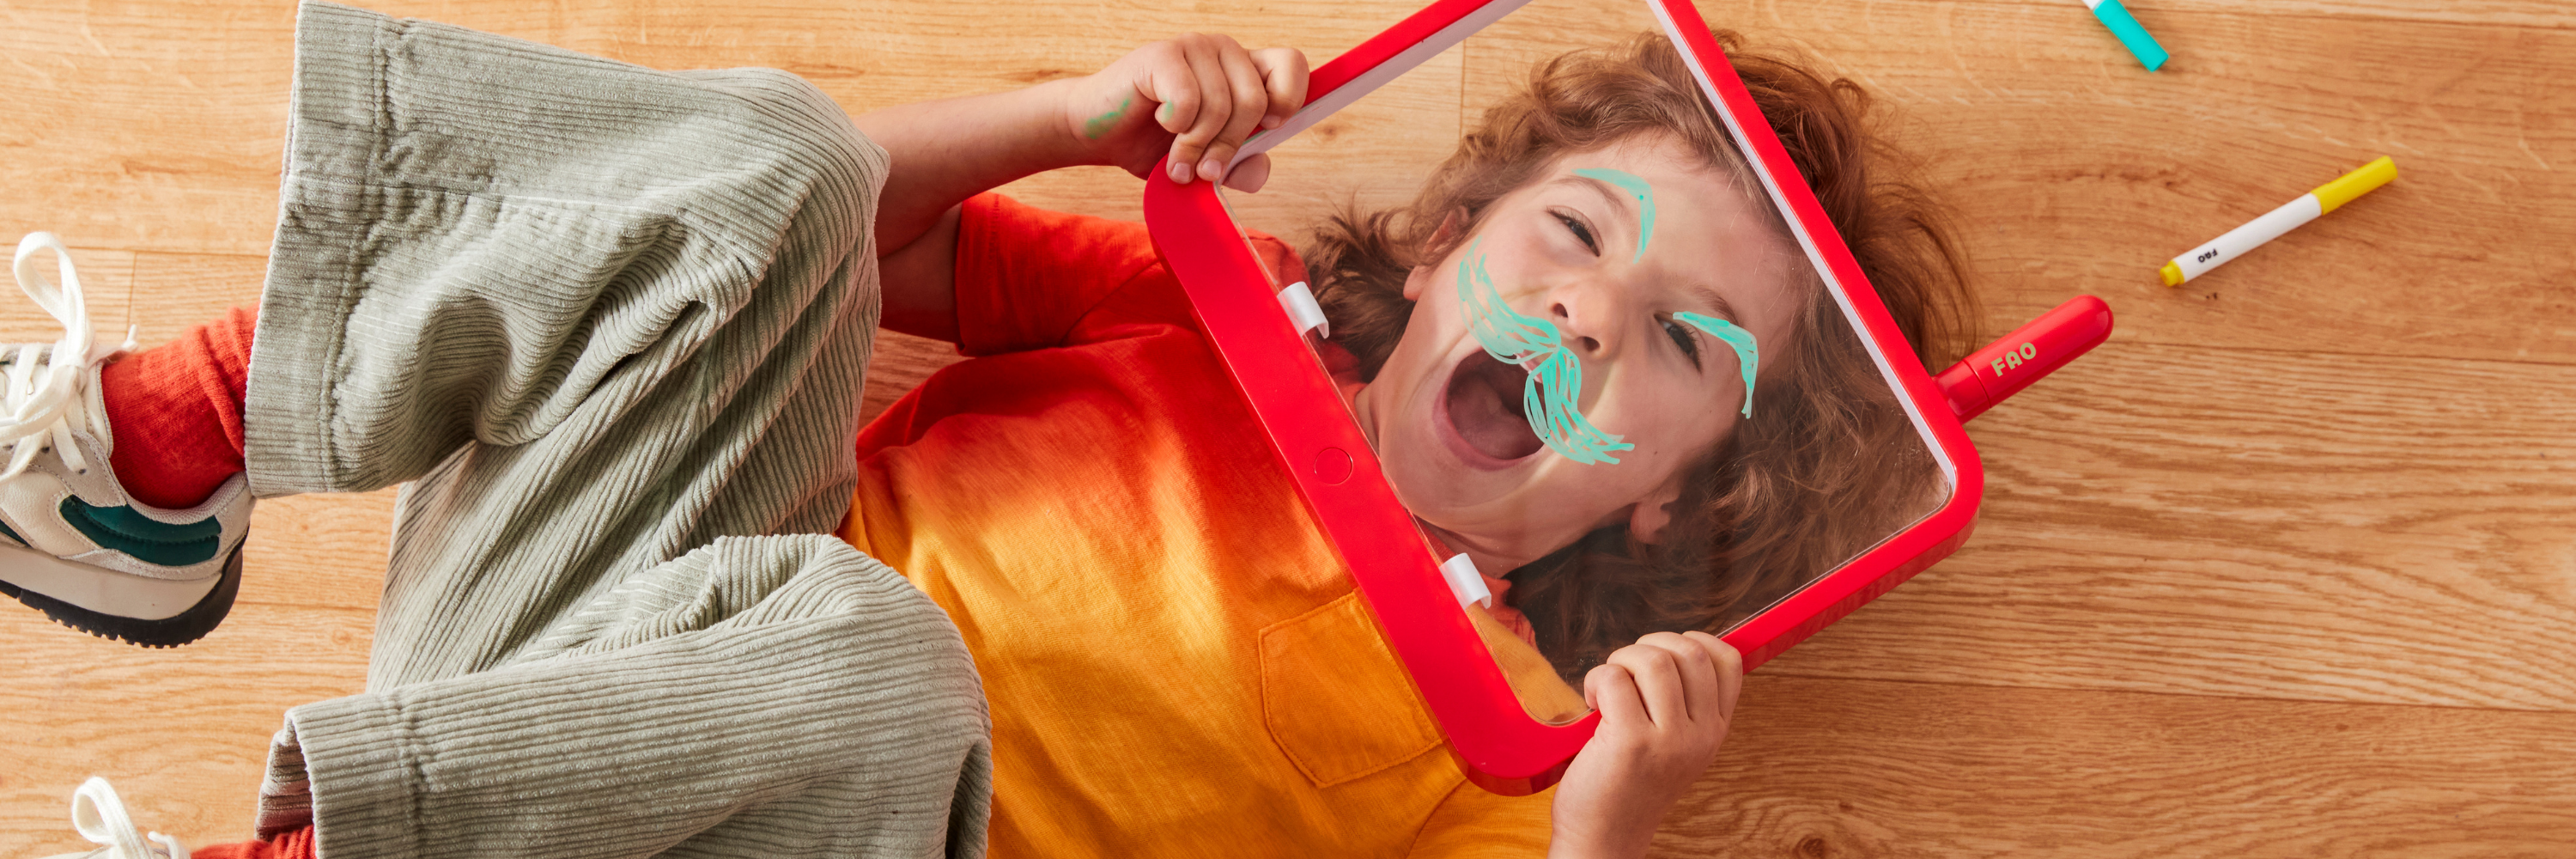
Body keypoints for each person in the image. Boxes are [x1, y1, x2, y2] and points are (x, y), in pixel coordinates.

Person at [5, 3, 1965, 857]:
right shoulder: (1204, 317)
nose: (1589, 313)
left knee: (881, 663)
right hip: (551, 696)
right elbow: (790, 225)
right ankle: (162, 463)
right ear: (1449, 248)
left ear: (1692, 477)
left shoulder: (1511, 723)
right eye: (1570, 238)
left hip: (835, 788)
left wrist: (1611, 822)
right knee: (772, 161)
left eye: (1681, 344)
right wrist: (1074, 114)